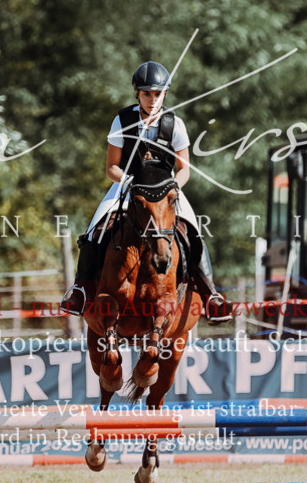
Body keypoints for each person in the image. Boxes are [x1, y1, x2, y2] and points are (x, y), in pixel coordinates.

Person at [59, 61, 233, 325]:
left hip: (165, 190)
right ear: (137, 94)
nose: (153, 100)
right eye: (147, 94)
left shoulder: (175, 124)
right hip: (128, 185)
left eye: (158, 94)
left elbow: (184, 169)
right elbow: (111, 168)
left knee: (194, 231)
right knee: (96, 227)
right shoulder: (122, 120)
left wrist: (172, 188)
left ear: (165, 95)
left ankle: (211, 295)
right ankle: (80, 290)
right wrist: (127, 181)